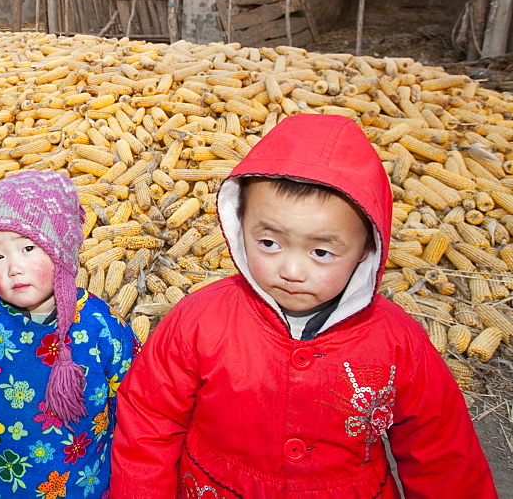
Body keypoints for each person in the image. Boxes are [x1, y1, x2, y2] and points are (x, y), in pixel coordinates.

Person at [111, 113, 498, 498]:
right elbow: (150, 423)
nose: (292, 271)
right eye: (269, 243)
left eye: (321, 251)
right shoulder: (196, 321)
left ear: (367, 248)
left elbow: (443, 453)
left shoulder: (399, 341)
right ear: (238, 226)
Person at [0, 170, 139, 499]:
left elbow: (137, 405)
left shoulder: (101, 327)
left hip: (77, 484)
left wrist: (136, 475)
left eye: (28, 248)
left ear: (61, 249)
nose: (13, 267)